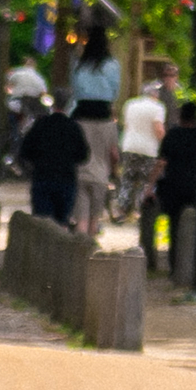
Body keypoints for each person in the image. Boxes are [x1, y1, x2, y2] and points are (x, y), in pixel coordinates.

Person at [69, 27, 121, 237]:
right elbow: (115, 90)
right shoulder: (112, 65)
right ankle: (91, 236)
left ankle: (80, 233)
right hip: (103, 115)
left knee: (80, 213)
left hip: (81, 113)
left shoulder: (79, 64)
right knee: (94, 218)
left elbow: (74, 89)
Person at [150, 99, 196, 264]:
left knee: (175, 225)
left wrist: (150, 184)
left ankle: (175, 261)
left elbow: (162, 162)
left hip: (173, 186)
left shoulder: (173, 135)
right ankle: (195, 262)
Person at [17, 95, 91, 224]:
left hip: (42, 177)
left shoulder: (41, 124)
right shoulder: (73, 127)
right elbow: (83, 155)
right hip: (66, 179)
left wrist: (35, 163)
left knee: (42, 219)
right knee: (61, 220)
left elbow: (25, 150)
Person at [116, 76, 167, 228]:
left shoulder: (130, 104)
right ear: (154, 94)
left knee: (128, 179)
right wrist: (165, 143)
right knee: (146, 181)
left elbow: (126, 125)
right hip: (149, 149)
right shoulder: (158, 108)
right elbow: (158, 128)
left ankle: (122, 210)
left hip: (129, 146)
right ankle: (140, 211)